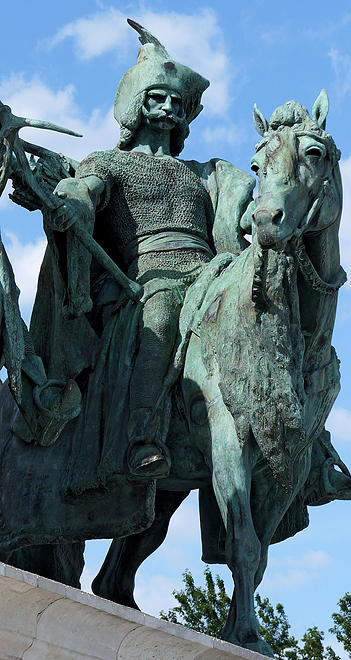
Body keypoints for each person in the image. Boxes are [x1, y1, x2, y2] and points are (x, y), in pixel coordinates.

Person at [35, 21, 255, 487]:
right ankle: (142, 434)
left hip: (212, 269)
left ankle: (312, 450)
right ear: (137, 105)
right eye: (157, 98)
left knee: (269, 313)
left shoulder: (202, 171)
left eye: (176, 102)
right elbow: (87, 190)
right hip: (150, 274)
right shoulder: (109, 161)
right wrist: (74, 200)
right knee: (161, 314)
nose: (168, 108)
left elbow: (236, 213)